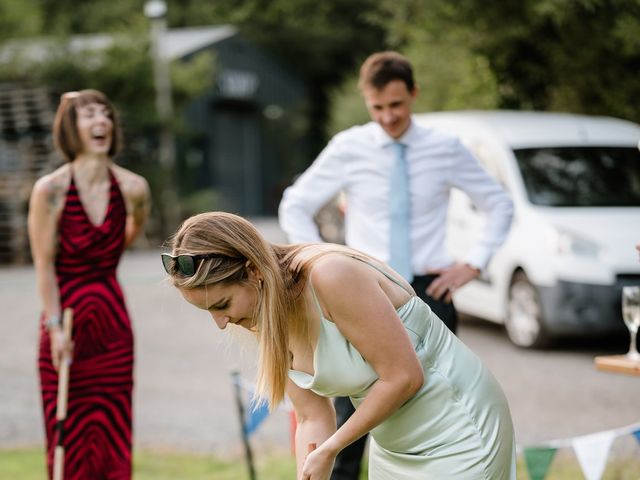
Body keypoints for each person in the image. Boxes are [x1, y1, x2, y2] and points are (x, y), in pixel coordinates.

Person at [278, 51, 514, 479]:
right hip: (356, 296)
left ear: (413, 94)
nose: (388, 117)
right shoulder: (349, 147)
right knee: (350, 426)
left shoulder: (445, 148)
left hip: (429, 294)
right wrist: (320, 259)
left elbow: (498, 203)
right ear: (367, 102)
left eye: (397, 105)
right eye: (378, 108)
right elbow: (297, 203)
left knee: (434, 409)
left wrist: (472, 265)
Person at [162, 211, 516, 480]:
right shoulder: (262, 307)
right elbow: (311, 415)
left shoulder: (331, 275)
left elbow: (404, 377)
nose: (220, 323)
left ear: (254, 270)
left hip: (457, 426)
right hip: (396, 445)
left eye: (221, 305)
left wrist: (331, 449)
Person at [28, 89, 150, 479]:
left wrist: (101, 259)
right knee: (68, 429)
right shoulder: (50, 190)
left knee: (114, 426)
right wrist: (54, 327)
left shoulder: (134, 188)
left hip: (112, 321)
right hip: (65, 318)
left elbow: (126, 235)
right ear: (71, 127)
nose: (101, 121)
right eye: (89, 115)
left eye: (106, 114)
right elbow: (44, 266)